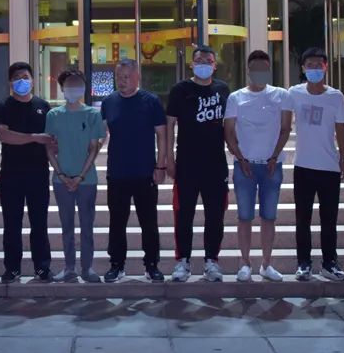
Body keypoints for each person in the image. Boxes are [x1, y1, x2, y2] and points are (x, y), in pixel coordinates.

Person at [224, 50, 291, 282]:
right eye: (256, 69)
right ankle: (245, 263)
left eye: (264, 68)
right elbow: (229, 132)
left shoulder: (282, 95)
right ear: (248, 70)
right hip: (245, 167)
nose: (260, 73)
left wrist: (274, 156)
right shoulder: (236, 98)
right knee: (244, 216)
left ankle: (266, 264)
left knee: (269, 216)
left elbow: (285, 128)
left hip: (272, 166)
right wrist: (241, 158)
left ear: (269, 70)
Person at [166, 45, 230, 282]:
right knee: (184, 215)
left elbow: (230, 125)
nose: (204, 64)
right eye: (199, 60)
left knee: (215, 215)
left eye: (208, 61)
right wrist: (168, 158)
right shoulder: (180, 90)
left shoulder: (223, 89)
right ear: (191, 64)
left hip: (216, 164)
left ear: (215, 65)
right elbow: (170, 125)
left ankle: (211, 261)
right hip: (187, 164)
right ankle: (183, 261)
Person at [101, 59, 167, 283]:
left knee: (149, 222)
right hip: (117, 173)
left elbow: (162, 135)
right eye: (119, 77)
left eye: (127, 77)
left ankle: (152, 265)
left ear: (137, 76)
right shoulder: (109, 102)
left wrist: (161, 165)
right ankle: (116, 265)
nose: (122, 81)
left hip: (145, 172)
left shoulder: (151, 101)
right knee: (117, 223)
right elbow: (101, 135)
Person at [286, 47, 344, 282]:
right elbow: (282, 120)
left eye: (318, 65)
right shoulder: (294, 93)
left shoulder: (336, 96)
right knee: (302, 219)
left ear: (326, 67)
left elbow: (341, 127)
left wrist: (343, 157)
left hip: (329, 166)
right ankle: (303, 263)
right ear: (303, 69)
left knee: (329, 219)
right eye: (309, 65)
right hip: (303, 166)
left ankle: (330, 263)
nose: (314, 69)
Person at [0, 62, 52, 284]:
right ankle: (12, 268)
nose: (21, 81)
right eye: (17, 77)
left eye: (25, 77)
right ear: (10, 82)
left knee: (39, 224)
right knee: (12, 224)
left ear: (33, 80)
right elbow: (4, 136)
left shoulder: (43, 106)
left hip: (38, 174)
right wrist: (35, 137)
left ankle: (42, 267)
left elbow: (52, 139)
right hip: (11, 175)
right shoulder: (2, 107)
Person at [44, 69, 106, 283]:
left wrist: (80, 176)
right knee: (67, 225)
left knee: (87, 226)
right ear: (62, 88)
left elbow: (94, 148)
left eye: (77, 84)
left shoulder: (93, 114)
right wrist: (61, 174)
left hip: (87, 180)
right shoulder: (53, 115)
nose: (73, 88)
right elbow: (49, 148)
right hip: (60, 179)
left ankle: (87, 268)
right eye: (69, 84)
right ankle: (69, 267)